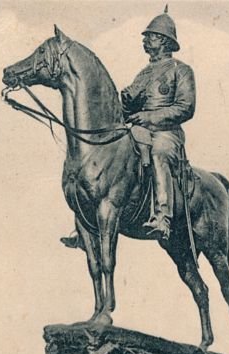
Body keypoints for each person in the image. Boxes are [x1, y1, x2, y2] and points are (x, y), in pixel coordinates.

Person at [61, 7, 195, 246]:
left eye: (151, 36)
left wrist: (149, 117)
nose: (145, 40)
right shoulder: (144, 73)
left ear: (164, 41)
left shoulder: (181, 70)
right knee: (109, 154)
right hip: (140, 129)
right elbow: (128, 104)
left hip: (167, 133)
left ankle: (163, 217)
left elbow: (186, 108)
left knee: (159, 153)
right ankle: (86, 224)